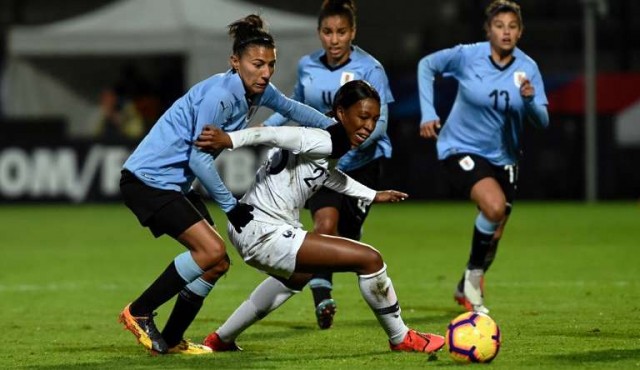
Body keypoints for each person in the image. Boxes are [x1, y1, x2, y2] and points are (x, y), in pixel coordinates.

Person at [117, 14, 336, 355]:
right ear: (235, 62)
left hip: (174, 185)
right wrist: (230, 206)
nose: (265, 72)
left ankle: (170, 339)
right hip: (148, 181)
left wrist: (337, 130)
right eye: (257, 64)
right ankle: (140, 310)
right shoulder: (220, 95)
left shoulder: (260, 91)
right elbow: (197, 158)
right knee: (211, 251)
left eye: (271, 65)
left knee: (216, 263)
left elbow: (293, 109)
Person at [194, 80, 444, 354]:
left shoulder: (332, 140)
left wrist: (372, 195)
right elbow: (273, 135)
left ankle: (221, 339)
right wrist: (228, 139)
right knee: (370, 260)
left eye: (374, 119)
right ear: (341, 112)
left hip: (255, 226)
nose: (369, 126)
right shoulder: (319, 138)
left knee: (297, 277)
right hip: (263, 231)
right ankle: (401, 338)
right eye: (362, 117)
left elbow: (327, 176)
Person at [263, 0, 394, 330]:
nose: (334, 40)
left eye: (341, 32)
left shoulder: (371, 68)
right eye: (327, 32)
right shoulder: (309, 64)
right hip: (321, 162)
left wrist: (346, 148)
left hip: (363, 164)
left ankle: (349, 239)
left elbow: (379, 125)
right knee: (323, 226)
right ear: (319, 33)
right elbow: (297, 106)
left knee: (345, 236)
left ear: (353, 32)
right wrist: (265, 129)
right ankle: (322, 297)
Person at [417, 0, 549, 314]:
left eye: (512, 26)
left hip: (505, 157)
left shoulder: (527, 68)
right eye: (499, 26)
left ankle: (466, 282)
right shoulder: (467, 56)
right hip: (459, 147)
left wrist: (530, 101)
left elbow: (542, 121)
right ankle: (474, 287)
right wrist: (428, 112)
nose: (506, 32)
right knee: (493, 206)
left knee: (496, 229)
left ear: (520, 32)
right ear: (488, 30)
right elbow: (426, 65)